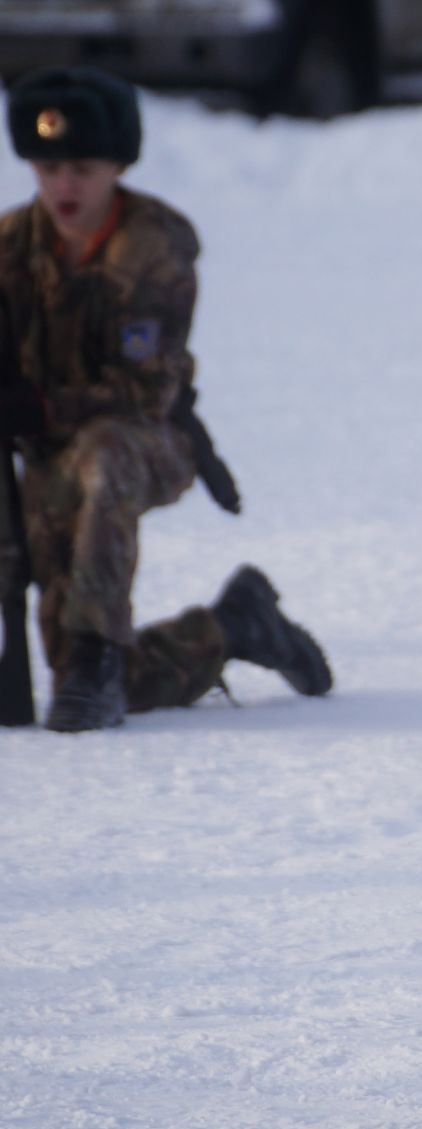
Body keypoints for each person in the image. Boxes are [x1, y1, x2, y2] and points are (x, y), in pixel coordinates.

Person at [0, 67, 330, 733]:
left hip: (145, 440)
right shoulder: (9, 246)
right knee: (85, 686)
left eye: (83, 169)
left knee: (105, 449)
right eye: (48, 168)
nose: (64, 187)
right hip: (47, 457)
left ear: (118, 165)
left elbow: (144, 392)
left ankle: (96, 652)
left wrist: (35, 407)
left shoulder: (154, 246)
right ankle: (234, 625)